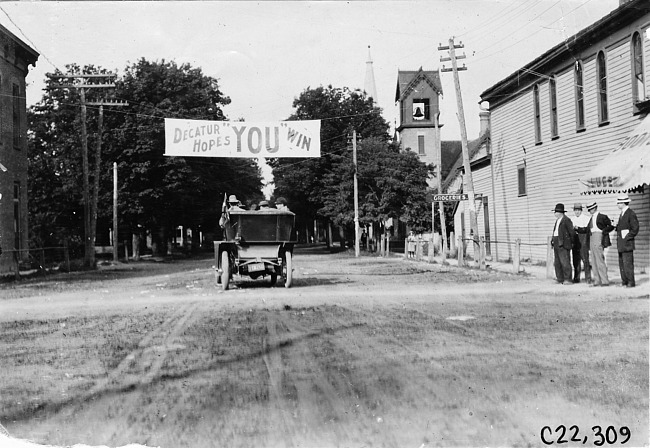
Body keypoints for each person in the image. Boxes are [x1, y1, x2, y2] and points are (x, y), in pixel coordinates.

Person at [577, 201, 614, 287]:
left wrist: (604, 231)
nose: (590, 211)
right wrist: (578, 229)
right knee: (593, 260)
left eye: (591, 209)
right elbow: (586, 229)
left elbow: (611, 226)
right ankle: (597, 280)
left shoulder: (602, 217)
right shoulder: (591, 218)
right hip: (591, 237)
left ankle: (604, 281)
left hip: (598, 236)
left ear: (594, 208)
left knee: (599, 259)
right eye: (589, 209)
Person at [615, 194, 639, 288]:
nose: (617, 205)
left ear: (623, 203)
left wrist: (627, 237)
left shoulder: (630, 213)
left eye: (618, 203)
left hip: (627, 244)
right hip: (621, 243)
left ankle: (630, 282)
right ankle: (624, 281)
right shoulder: (622, 213)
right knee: (622, 263)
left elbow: (635, 228)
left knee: (628, 263)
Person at [551, 203, 575, 285]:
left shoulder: (566, 220)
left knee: (565, 261)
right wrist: (552, 240)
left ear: (560, 212)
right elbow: (555, 232)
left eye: (556, 212)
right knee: (557, 262)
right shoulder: (557, 220)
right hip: (556, 241)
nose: (555, 213)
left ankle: (568, 279)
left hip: (564, 243)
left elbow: (572, 232)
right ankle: (560, 278)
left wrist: (571, 243)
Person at [570, 203, 591, 283]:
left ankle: (588, 278)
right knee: (576, 260)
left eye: (578, 210)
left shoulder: (586, 218)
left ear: (581, 210)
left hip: (583, 240)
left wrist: (578, 228)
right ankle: (576, 278)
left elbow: (586, 229)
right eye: (575, 210)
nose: (577, 212)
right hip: (575, 240)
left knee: (585, 260)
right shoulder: (572, 219)